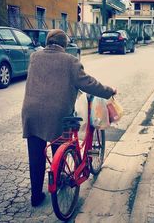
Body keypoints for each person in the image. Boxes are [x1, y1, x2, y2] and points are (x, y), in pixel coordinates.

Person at [22, 29, 116, 207]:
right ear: (64, 45)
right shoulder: (71, 61)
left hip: (31, 113)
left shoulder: (35, 57)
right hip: (58, 115)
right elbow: (88, 83)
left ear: (48, 42)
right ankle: (60, 181)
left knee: (35, 156)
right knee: (60, 149)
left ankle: (36, 196)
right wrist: (109, 91)